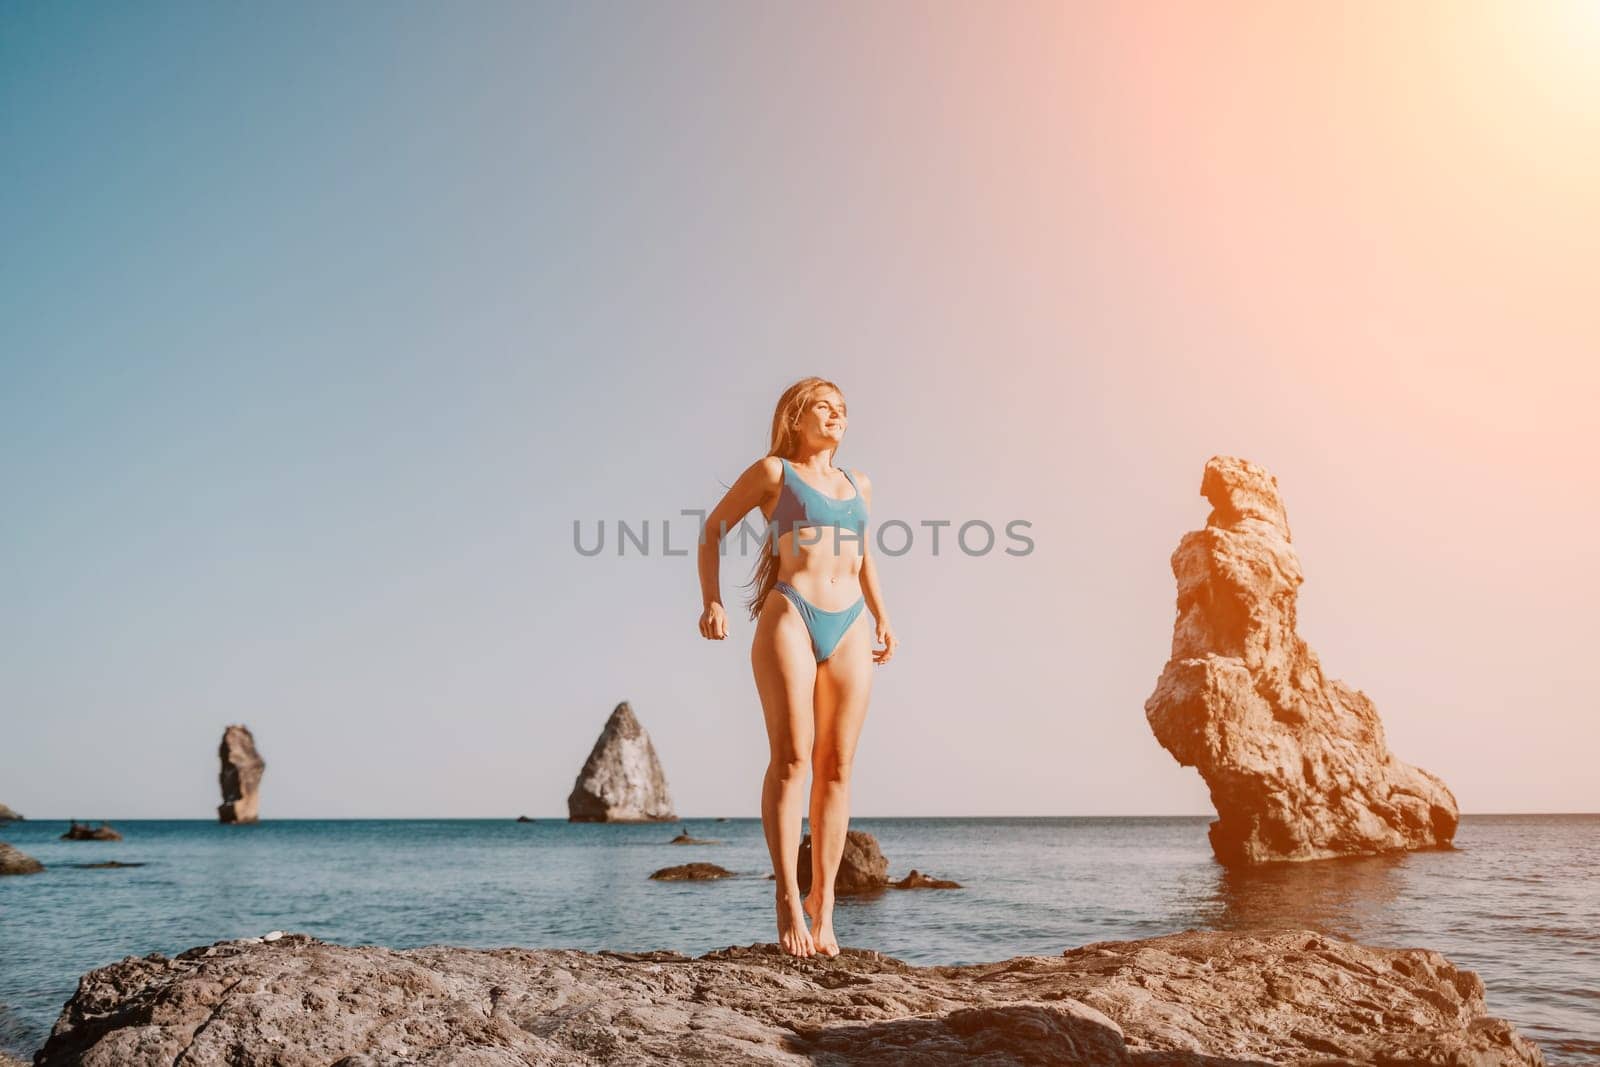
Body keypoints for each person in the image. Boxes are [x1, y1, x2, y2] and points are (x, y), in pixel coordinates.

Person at [696, 376, 897, 957]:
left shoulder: (858, 482)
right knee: (792, 760)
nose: (837, 416)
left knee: (837, 767)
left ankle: (823, 905)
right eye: (824, 407)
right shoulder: (773, 474)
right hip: (792, 614)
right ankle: (787, 899)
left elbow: (864, 557)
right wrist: (711, 599)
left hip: (852, 622)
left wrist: (884, 616)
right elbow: (712, 529)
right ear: (795, 417)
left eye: (843, 409)